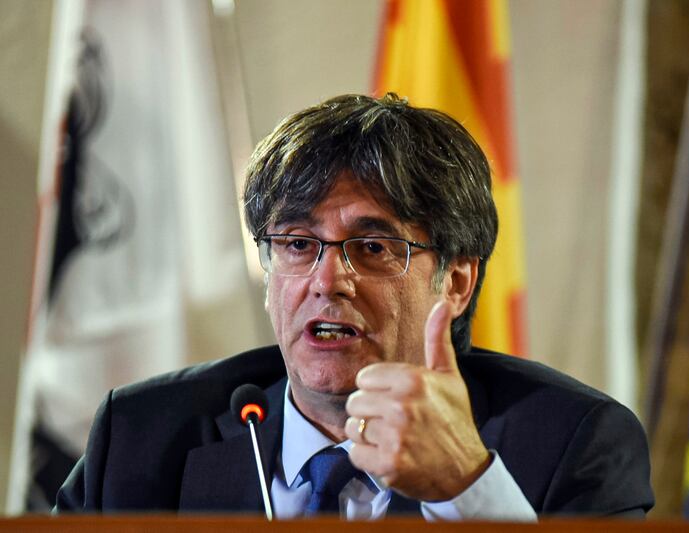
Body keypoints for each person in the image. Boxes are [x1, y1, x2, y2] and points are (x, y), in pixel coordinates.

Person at [55, 94, 654, 519]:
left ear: (457, 281)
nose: (327, 280)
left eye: (371, 247)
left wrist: (466, 491)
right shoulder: (142, 437)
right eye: (296, 244)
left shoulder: (572, 445)